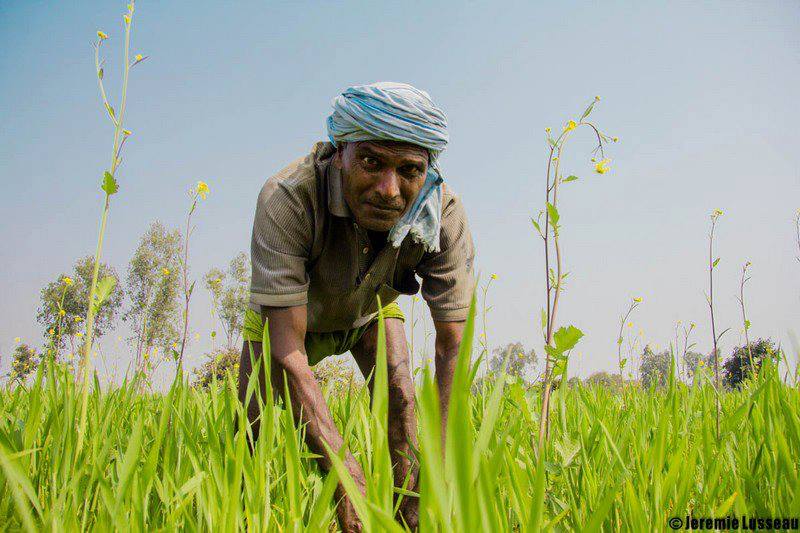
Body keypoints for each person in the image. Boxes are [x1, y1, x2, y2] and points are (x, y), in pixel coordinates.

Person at [237, 82, 475, 531]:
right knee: (251, 437)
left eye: (409, 169)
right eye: (370, 162)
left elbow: (452, 348)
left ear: (428, 169)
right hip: (287, 324)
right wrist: (347, 476)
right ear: (338, 151)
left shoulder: (442, 214)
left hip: (371, 309)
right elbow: (287, 352)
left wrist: (439, 473)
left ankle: (410, 520)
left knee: (401, 399)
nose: (389, 190)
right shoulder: (289, 198)